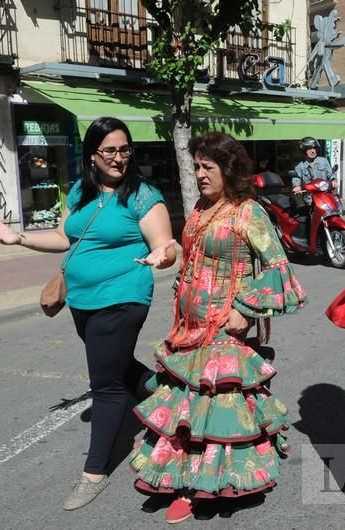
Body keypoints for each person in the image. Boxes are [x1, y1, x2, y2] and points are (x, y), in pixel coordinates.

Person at [0, 116, 176, 510]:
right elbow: (67, 236)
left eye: (124, 149)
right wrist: (20, 239)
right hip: (81, 300)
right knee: (115, 366)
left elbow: (166, 245)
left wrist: (162, 256)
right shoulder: (82, 190)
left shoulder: (142, 195)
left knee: (106, 387)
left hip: (122, 297)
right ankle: (169, 395)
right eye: (110, 151)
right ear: (92, 155)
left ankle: (94, 473)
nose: (119, 158)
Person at [127, 132, 307, 524]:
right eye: (196, 167)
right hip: (188, 326)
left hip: (224, 328)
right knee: (185, 406)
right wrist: (168, 259)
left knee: (209, 408)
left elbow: (280, 268)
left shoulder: (249, 212)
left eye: (208, 167)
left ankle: (198, 488)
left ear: (229, 169)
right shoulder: (200, 208)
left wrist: (245, 308)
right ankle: (183, 477)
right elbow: (191, 258)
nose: (200, 174)